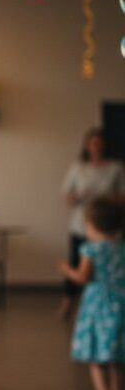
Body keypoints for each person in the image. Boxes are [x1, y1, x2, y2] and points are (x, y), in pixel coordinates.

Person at [59, 198, 125, 390]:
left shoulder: (91, 249)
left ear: (92, 225)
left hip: (98, 306)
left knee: (96, 358)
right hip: (120, 304)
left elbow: (82, 277)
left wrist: (66, 268)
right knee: (117, 359)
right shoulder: (121, 249)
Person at [59, 129, 125, 321]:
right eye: (92, 143)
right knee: (77, 260)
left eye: (98, 142)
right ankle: (67, 303)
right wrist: (79, 196)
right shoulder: (78, 167)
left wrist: (108, 198)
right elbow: (67, 196)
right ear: (87, 146)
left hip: (107, 222)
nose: (95, 146)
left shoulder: (115, 167)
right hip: (82, 223)